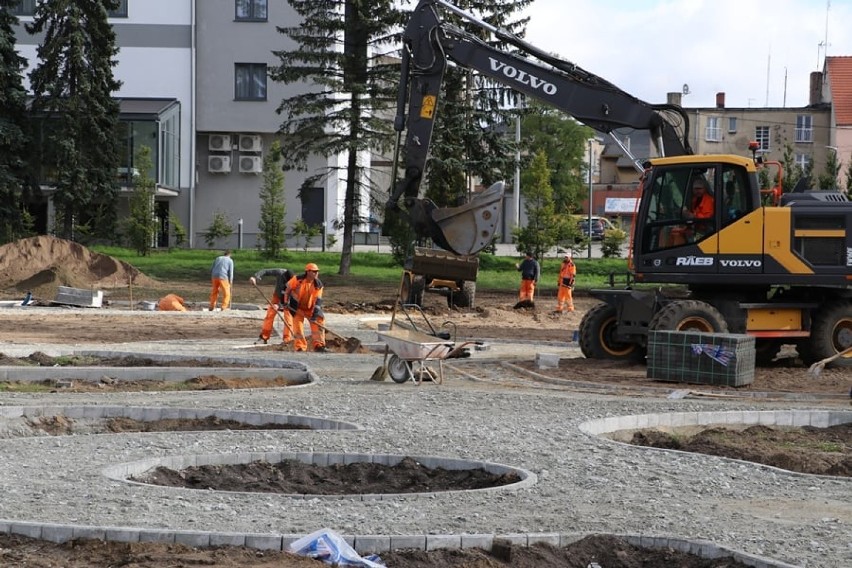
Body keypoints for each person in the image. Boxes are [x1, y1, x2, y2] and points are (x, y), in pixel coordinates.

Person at [286, 263, 327, 352]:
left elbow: (318, 301)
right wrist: (285, 302)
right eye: (314, 271)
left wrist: (314, 316)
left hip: (311, 308)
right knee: (298, 326)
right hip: (297, 307)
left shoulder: (318, 285)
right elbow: (287, 290)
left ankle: (319, 346)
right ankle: (300, 347)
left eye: (317, 272)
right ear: (308, 272)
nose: (316, 273)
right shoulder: (297, 280)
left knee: (319, 321)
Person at [249, 268, 295, 345]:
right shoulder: (280, 272)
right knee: (270, 314)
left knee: (288, 319)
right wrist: (255, 277)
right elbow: (265, 271)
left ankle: (287, 339)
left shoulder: (295, 282)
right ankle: (264, 336)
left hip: (288, 299)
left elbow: (293, 297)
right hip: (277, 296)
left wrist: (281, 305)